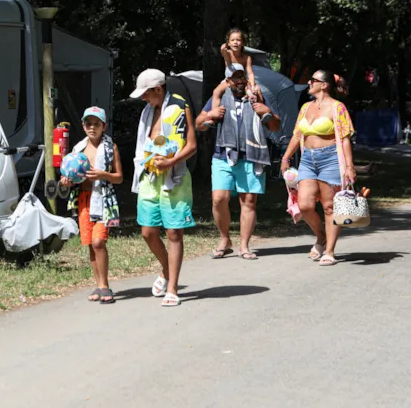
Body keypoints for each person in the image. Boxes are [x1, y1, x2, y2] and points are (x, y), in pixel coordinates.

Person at [196, 64, 282, 260]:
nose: (240, 81)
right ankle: (225, 239)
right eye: (235, 78)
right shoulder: (218, 99)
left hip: (252, 155)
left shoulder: (256, 97)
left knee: (249, 201)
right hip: (223, 155)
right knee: (219, 199)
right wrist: (211, 115)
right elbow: (198, 124)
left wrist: (265, 110)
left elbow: (275, 126)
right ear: (227, 82)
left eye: (242, 77)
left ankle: (244, 246)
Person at [129, 69, 197, 307]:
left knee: (173, 233)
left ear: (158, 89)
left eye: (146, 94)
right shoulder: (148, 111)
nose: (143, 99)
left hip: (174, 176)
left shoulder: (180, 106)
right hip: (149, 175)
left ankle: (173, 288)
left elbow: (191, 145)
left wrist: (171, 162)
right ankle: (167, 270)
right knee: (148, 231)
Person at [280, 70, 355, 266]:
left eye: (313, 80)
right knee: (304, 205)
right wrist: (286, 157)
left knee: (330, 207)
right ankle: (321, 236)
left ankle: (329, 250)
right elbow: (297, 134)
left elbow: (345, 138)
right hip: (307, 160)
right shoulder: (305, 107)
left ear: (324, 85)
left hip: (330, 159)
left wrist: (349, 166)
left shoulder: (338, 108)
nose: (309, 82)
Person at [60, 106, 123, 304]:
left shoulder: (111, 148)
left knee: (98, 242)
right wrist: (66, 181)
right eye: (89, 123)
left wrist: (103, 174)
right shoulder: (78, 150)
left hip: (103, 200)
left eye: (97, 124)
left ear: (104, 126)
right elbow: (70, 175)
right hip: (84, 201)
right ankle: (98, 284)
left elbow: (119, 178)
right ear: (83, 126)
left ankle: (105, 285)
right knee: (90, 244)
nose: (92, 127)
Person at [203, 29, 259, 127]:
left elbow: (250, 73)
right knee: (216, 91)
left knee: (256, 90)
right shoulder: (228, 53)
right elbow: (224, 54)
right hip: (229, 81)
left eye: (238, 40)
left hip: (242, 80)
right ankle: (213, 116)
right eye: (232, 40)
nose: (235, 42)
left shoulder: (246, 57)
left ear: (243, 42)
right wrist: (222, 50)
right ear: (228, 43)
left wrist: (252, 85)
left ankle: (261, 113)